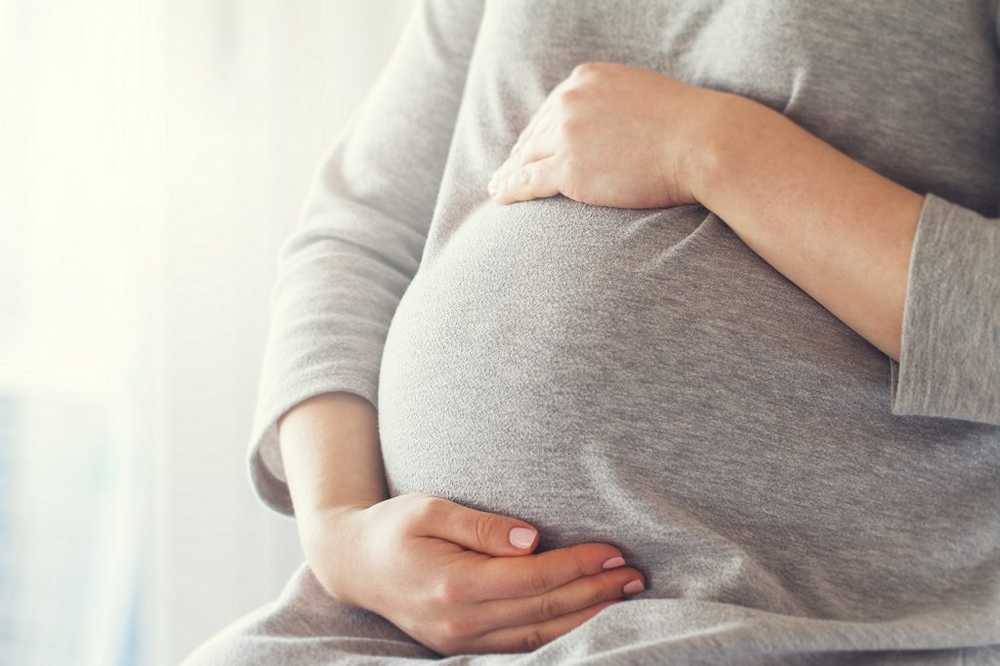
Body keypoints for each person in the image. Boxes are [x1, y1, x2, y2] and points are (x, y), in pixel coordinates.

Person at [182, 0, 1000, 663]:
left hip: (806, 620)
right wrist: (340, 534)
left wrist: (710, 147)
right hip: (396, 624)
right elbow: (358, 230)